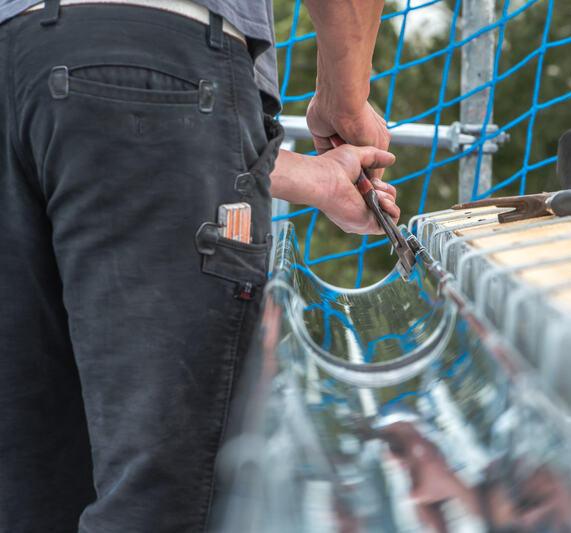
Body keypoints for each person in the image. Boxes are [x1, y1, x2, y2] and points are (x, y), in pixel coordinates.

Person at [0, 0, 397, 531]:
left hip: (13, 60)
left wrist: (316, 179)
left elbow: (112, 105)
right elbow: (146, 98)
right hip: (166, 42)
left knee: (34, 481)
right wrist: (344, 102)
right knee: (164, 496)